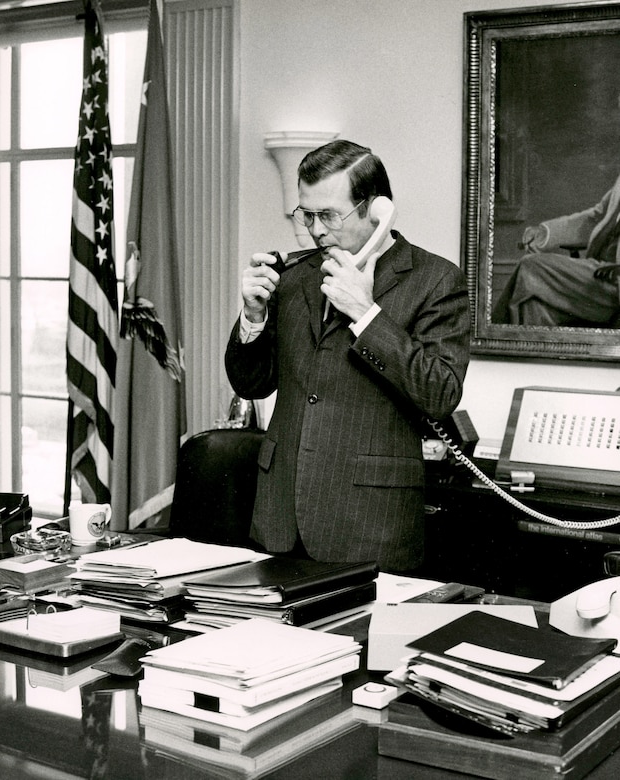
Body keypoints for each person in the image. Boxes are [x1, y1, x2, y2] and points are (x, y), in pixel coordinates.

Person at [225, 140, 470, 572]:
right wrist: (252, 317)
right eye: (306, 214)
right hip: (280, 518)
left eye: (328, 215)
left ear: (376, 211)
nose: (316, 230)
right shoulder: (294, 276)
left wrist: (366, 314)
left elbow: (440, 393)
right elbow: (251, 383)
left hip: (369, 526)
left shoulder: (435, 280)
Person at [492, 173, 620, 326]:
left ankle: (489, 334)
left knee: (530, 266)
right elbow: (596, 218)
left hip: (613, 282)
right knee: (534, 304)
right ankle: (514, 347)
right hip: (597, 274)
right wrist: (545, 233)